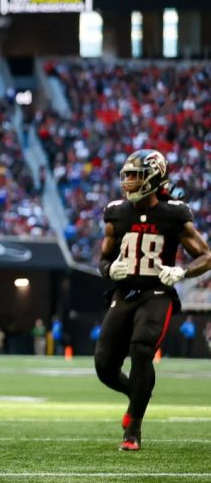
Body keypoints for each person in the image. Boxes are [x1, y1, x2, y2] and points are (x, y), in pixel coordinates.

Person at [96, 149, 211, 451]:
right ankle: (140, 393)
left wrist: (182, 271)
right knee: (104, 366)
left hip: (157, 293)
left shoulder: (173, 213)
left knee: (141, 348)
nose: (129, 182)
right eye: (127, 176)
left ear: (154, 177)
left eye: (136, 176)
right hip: (125, 293)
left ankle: (133, 427)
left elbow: (205, 255)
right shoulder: (116, 212)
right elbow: (104, 259)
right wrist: (110, 269)